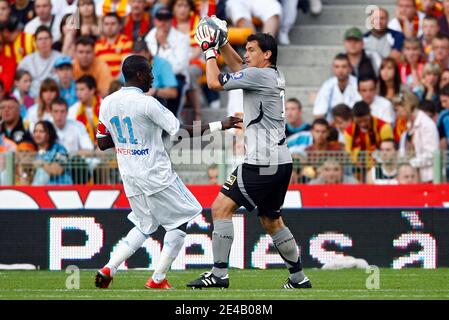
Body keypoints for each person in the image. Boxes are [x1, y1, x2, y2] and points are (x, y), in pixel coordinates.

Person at [94, 54, 241, 289]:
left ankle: (109, 268)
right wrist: (219, 125)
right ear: (140, 74)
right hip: (155, 174)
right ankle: (157, 279)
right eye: (150, 72)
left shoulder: (107, 102)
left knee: (144, 225)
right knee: (184, 218)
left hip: (130, 176)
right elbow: (180, 131)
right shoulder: (148, 103)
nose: (153, 77)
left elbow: (102, 142)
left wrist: (127, 141)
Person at [187, 19, 311, 290]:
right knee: (271, 219)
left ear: (266, 54)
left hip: (260, 162)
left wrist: (209, 49)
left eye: (252, 49)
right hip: (281, 161)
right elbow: (241, 68)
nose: (247, 54)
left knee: (220, 208)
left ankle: (219, 274)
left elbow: (213, 82)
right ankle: (298, 277)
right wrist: (223, 42)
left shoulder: (258, 75)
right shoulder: (273, 75)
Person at [145, 6, 190, 117]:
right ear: (155, 20)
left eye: (167, 19)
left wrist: (165, 45)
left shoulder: (182, 38)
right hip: (152, 77)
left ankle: (174, 119)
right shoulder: (148, 37)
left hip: (176, 76)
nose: (163, 22)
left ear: (171, 20)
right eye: (160, 19)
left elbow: (179, 66)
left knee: (176, 85)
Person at [395, 90, 439, 183]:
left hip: (429, 179)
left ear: (406, 107)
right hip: (414, 179)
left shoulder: (427, 124)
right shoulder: (408, 124)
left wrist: (411, 163)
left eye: (397, 110)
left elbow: (432, 155)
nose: (396, 113)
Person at [313, 53, 361, 121]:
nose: (340, 70)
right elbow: (318, 114)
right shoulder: (327, 85)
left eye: (344, 66)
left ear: (350, 69)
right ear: (333, 69)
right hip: (332, 127)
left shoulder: (357, 84)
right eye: (337, 67)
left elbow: (361, 110)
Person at [18, 25, 62, 97]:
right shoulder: (26, 62)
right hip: (31, 98)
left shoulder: (61, 59)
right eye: (40, 39)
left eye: (46, 38)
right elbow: (19, 83)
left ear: (52, 40)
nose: (43, 42)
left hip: (56, 98)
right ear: (35, 42)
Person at [31, 120, 73, 185]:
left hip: (59, 190)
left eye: (41, 131)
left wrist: (42, 164)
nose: (37, 134)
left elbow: (59, 169)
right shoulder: (33, 151)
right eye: (35, 131)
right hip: (38, 192)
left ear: (49, 134)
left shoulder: (59, 149)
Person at [95, 13, 133, 78]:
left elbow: (126, 65)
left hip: (120, 82)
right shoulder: (98, 44)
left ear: (120, 26)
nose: (109, 27)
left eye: (113, 24)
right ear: (103, 26)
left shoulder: (126, 41)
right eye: (106, 24)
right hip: (103, 80)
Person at [68, 75, 101, 144]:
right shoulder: (72, 110)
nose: (78, 93)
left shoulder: (104, 106)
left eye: (82, 89)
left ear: (92, 90)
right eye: (77, 89)